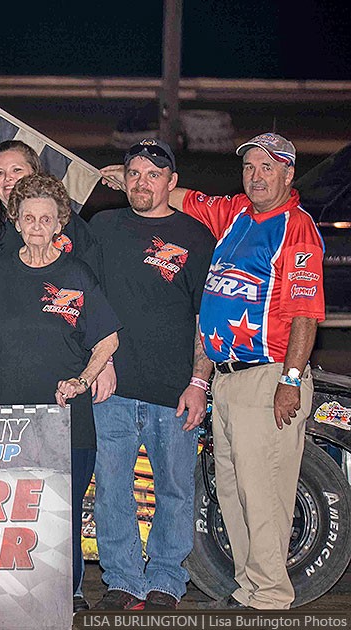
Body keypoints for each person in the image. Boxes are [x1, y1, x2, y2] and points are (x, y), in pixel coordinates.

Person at [104, 132, 325, 609]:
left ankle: (269, 597)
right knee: (234, 491)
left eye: (269, 167)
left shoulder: (297, 227)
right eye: (250, 167)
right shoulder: (237, 213)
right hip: (225, 378)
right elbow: (180, 196)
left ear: (289, 174)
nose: (257, 175)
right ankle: (249, 589)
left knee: (263, 493)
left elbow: (307, 314)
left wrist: (290, 381)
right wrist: (128, 181)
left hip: (269, 376)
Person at [0, 173, 120, 612]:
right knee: (7, 512)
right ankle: (8, 595)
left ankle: (68, 593)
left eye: (46, 219)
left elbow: (107, 339)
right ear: (16, 222)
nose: (37, 226)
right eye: (28, 218)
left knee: (62, 514)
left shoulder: (76, 275)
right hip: (6, 413)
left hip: (66, 418)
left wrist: (82, 380)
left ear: (60, 224)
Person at [89, 140, 215, 611]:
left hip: (174, 391)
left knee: (176, 491)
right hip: (113, 387)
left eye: (153, 174)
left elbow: (207, 316)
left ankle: (166, 580)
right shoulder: (102, 227)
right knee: (112, 489)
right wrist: (97, 363)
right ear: (124, 179)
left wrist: (199, 382)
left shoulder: (196, 236)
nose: (143, 182)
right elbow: (83, 296)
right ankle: (122, 580)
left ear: (171, 183)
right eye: (134, 173)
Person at [0, 139, 100, 271]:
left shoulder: (65, 219)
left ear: (34, 172)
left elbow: (90, 273)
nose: (8, 178)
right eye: (0, 173)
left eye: (16, 170)